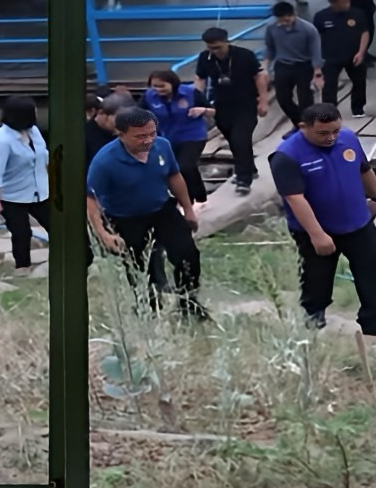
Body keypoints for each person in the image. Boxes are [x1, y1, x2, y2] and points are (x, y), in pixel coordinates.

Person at [268, 103, 376, 337]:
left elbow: (365, 170)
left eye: (335, 131)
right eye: (323, 133)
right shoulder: (287, 155)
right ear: (303, 127)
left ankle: (375, 320)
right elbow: (295, 198)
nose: (331, 138)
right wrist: (317, 234)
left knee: (372, 268)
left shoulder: (348, 139)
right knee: (317, 275)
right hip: (317, 229)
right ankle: (314, 316)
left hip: (358, 221)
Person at [87, 108, 209, 320]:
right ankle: (149, 310)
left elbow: (174, 176)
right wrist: (103, 233)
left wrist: (188, 210)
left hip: (162, 210)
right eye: (140, 136)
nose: (148, 140)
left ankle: (188, 303)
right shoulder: (105, 161)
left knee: (188, 255)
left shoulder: (162, 146)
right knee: (141, 268)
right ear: (121, 134)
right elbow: (90, 198)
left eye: (152, 133)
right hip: (126, 218)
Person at [193, 27, 270, 195]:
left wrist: (263, 101)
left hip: (245, 104)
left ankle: (243, 179)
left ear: (226, 42)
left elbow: (259, 77)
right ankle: (250, 169)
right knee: (233, 141)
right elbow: (200, 79)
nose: (214, 51)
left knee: (240, 139)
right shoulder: (205, 58)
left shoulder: (244, 55)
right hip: (222, 105)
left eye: (217, 47)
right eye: (210, 48)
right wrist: (197, 100)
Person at [0, 96, 50, 276]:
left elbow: (43, 156)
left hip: (40, 192)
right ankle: (22, 267)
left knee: (57, 225)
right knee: (21, 232)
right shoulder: (1, 140)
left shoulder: (34, 132)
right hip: (12, 196)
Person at [141, 70, 212, 204]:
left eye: (162, 86)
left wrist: (202, 110)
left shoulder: (191, 93)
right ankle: (188, 201)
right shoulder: (149, 96)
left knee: (186, 166)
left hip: (193, 135)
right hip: (168, 138)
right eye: (155, 86)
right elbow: (139, 112)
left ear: (172, 83)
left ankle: (200, 198)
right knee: (174, 170)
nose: (158, 89)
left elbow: (212, 111)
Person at [263, 2, 323, 128]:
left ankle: (308, 125)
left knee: (305, 100)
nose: (284, 23)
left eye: (286, 20)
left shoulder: (308, 29)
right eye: (280, 21)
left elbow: (316, 52)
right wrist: (265, 66)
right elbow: (270, 48)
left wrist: (317, 73)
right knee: (283, 99)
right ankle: (300, 124)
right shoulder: (271, 28)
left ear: (294, 15)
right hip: (283, 65)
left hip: (303, 66)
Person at [313, 0, 369, 118]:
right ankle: (330, 113)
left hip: (353, 55)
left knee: (359, 81)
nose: (347, 4)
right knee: (329, 86)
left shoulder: (357, 13)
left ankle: (358, 109)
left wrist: (361, 52)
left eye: (348, 1)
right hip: (330, 57)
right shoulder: (321, 16)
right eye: (344, 2)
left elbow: (365, 32)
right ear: (333, 2)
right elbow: (315, 37)